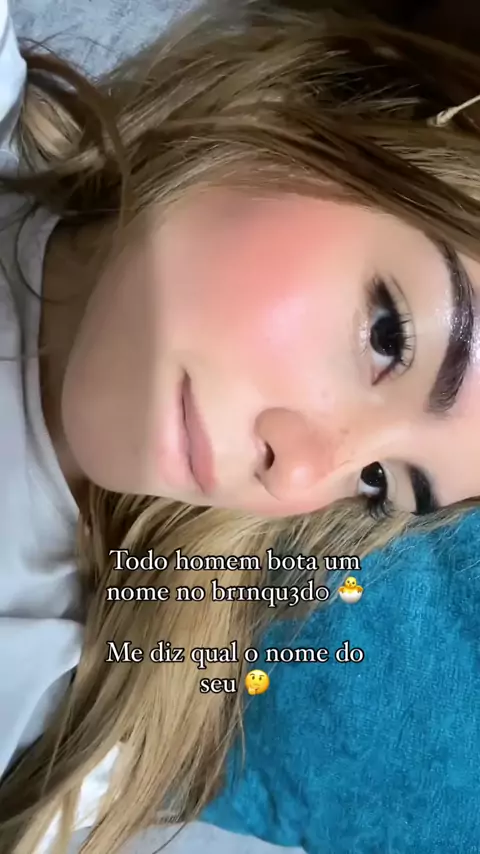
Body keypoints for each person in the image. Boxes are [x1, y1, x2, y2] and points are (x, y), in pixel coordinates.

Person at [1, 0, 480, 851]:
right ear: (319, 119)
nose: (297, 473)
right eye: (388, 337)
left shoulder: (47, 699)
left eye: (378, 484)